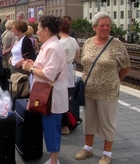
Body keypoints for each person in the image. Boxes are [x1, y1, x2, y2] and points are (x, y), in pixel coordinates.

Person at [75, 12, 131, 164]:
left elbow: (126, 66)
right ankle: (87, 147)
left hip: (108, 92)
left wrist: (115, 80)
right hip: (89, 90)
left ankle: (107, 153)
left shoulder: (117, 45)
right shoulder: (88, 43)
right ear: (95, 27)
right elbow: (85, 63)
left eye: (108, 25)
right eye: (102, 25)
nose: (105, 28)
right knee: (89, 121)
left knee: (107, 122)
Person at [22, 14, 68, 164]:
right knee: (49, 127)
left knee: (52, 128)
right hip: (48, 95)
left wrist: (30, 68)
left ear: (46, 30)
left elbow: (49, 74)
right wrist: (34, 65)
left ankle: (54, 161)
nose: (37, 31)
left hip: (51, 97)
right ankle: (53, 158)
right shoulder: (49, 45)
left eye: (39, 28)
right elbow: (45, 67)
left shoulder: (53, 48)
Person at [59, 17, 80, 135]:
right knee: (68, 99)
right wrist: (72, 61)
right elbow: (78, 53)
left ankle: (65, 125)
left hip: (62, 72)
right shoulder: (73, 40)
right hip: (70, 70)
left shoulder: (60, 43)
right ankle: (70, 121)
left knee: (62, 101)